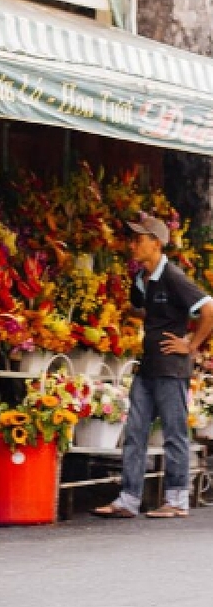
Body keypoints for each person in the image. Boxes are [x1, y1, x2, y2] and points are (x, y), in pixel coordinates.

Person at [92, 214, 213, 520]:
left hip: (172, 368)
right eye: (131, 239)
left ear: (156, 243)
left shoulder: (172, 276)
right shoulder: (141, 277)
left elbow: (208, 309)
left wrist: (191, 345)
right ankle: (128, 499)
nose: (132, 244)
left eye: (139, 239)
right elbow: (142, 308)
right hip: (148, 366)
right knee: (134, 432)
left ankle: (177, 500)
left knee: (174, 433)